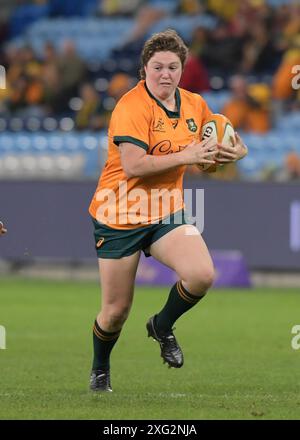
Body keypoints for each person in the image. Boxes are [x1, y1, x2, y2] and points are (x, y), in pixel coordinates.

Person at [88, 29, 248, 392]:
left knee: (202, 274)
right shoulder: (131, 106)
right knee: (115, 312)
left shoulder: (194, 105)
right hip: (119, 214)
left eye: (173, 67)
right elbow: (133, 166)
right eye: (157, 67)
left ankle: (161, 325)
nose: (165, 74)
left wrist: (234, 152)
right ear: (144, 70)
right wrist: (189, 155)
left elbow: (217, 145)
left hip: (164, 211)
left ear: (182, 69)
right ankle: (100, 369)